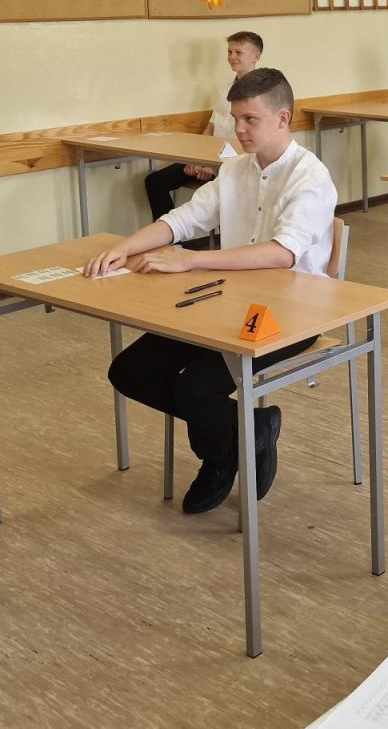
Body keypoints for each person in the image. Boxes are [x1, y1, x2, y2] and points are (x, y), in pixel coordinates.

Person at [95, 67, 337, 515]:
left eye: (250, 119)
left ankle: (218, 458)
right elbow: (184, 220)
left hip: (293, 313)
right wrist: (126, 246)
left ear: (283, 118)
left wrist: (191, 259)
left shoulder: (310, 176)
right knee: (131, 371)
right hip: (229, 301)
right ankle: (247, 433)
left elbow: (282, 253)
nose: (238, 129)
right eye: (236, 118)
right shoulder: (236, 170)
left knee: (197, 389)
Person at [144, 31, 263, 219]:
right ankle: (171, 236)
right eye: (229, 52)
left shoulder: (262, 94)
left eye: (238, 52)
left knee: (228, 199)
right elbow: (210, 127)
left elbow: (257, 140)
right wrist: (197, 159)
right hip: (211, 158)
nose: (232, 57)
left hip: (238, 165)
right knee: (155, 181)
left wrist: (214, 167)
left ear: (255, 57)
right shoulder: (226, 89)